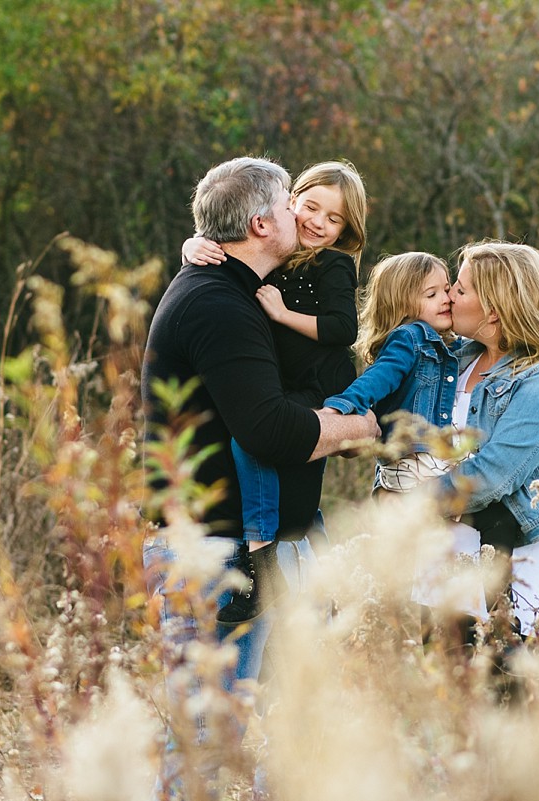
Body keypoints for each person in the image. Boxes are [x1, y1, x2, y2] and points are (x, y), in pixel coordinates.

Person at [140, 156, 378, 686]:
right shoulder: (217, 303)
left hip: (276, 544)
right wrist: (361, 428)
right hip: (217, 555)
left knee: (294, 735)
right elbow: (269, 432)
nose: (304, 216)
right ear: (261, 224)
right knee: (203, 737)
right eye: (293, 203)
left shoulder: (239, 286)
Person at [182, 160, 368, 624]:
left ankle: (269, 561)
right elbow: (233, 245)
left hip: (320, 383)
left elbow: (345, 328)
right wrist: (193, 244)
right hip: (285, 383)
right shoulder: (277, 258)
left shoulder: (333, 265)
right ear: (287, 206)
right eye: (306, 207)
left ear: (347, 228)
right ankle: (305, 574)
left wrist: (284, 315)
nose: (316, 223)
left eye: (334, 219)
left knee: (265, 447)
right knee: (287, 473)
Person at [431, 241, 539, 641]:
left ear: (494, 309)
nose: (449, 295)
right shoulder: (453, 362)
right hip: (450, 559)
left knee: (525, 693)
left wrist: (409, 506)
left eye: (460, 288)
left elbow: (492, 475)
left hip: (528, 563)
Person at [320, 251, 462, 492]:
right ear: (401, 304)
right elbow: (378, 379)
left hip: (429, 461)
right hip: (414, 462)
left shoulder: (445, 345)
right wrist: (341, 406)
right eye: (431, 294)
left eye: (446, 289)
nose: (445, 298)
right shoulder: (410, 338)